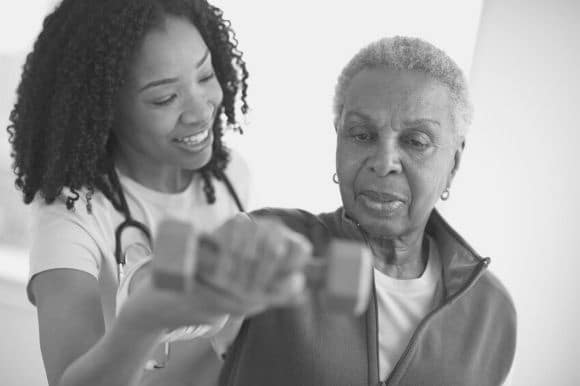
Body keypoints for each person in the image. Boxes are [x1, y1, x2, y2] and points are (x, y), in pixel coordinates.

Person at [131, 36, 516, 385]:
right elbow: (150, 293)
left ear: (454, 162)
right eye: (361, 135)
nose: (384, 162)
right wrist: (201, 279)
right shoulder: (267, 237)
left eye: (416, 141)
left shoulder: (491, 312)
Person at [7, 0, 254, 385]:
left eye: (205, 75)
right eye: (164, 98)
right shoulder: (69, 212)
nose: (200, 111)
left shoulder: (230, 176)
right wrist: (143, 322)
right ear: (104, 110)